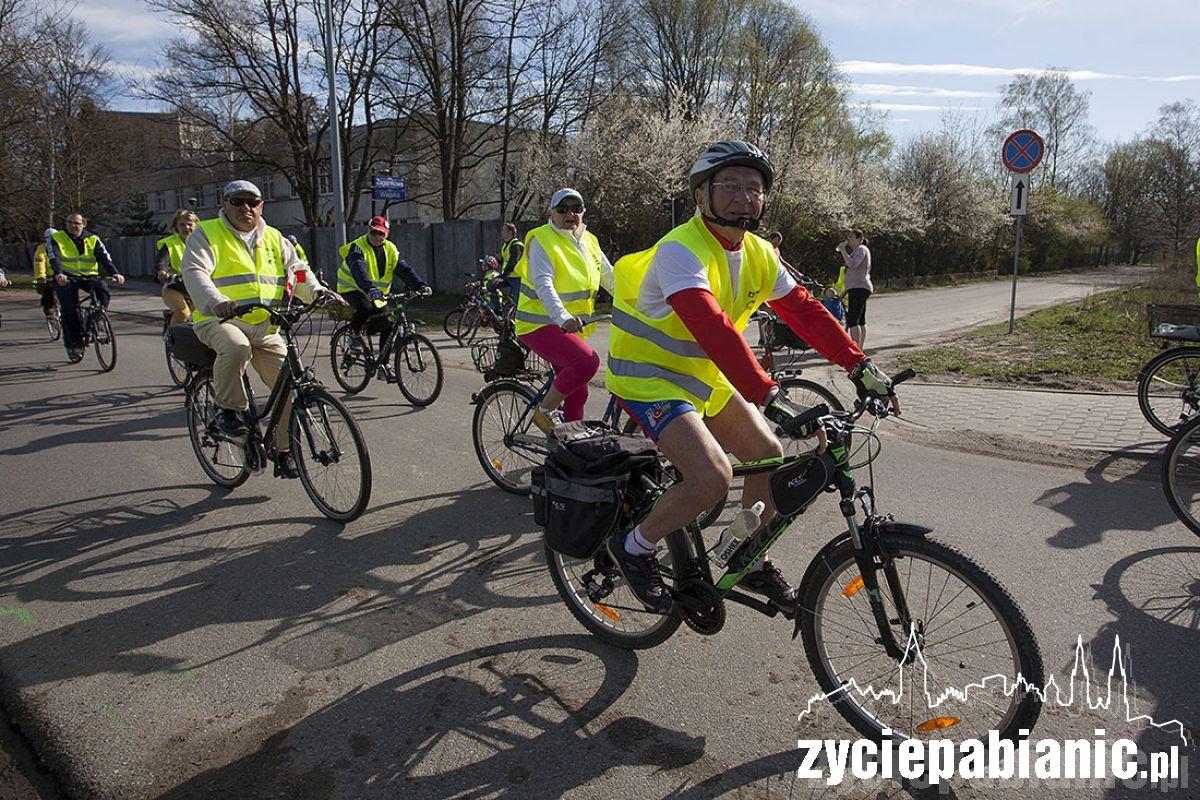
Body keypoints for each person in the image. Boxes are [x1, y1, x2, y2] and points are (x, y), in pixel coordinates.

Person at [603, 141, 897, 614]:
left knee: (767, 455)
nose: (745, 196)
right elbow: (711, 326)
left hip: (705, 376)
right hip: (651, 377)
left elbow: (804, 311)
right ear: (702, 197)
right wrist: (770, 395)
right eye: (731, 186)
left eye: (755, 188)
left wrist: (859, 365)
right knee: (711, 477)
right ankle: (633, 546)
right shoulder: (680, 250)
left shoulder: (759, 252)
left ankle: (749, 552)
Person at [181, 180, 344, 479]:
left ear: (261, 205)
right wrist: (215, 300)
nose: (246, 208)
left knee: (290, 391)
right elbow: (194, 272)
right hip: (220, 321)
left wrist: (318, 292)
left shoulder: (274, 237)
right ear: (225, 203)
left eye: (252, 202)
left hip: (266, 325)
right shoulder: (207, 233)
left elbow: (298, 270)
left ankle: (283, 452)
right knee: (236, 348)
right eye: (238, 201)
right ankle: (228, 410)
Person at [513, 188, 614, 432]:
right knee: (587, 363)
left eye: (576, 208)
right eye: (563, 209)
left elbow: (610, 277)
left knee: (577, 394)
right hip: (539, 325)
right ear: (552, 213)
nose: (570, 213)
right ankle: (544, 411)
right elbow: (544, 284)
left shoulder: (588, 241)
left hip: (568, 329)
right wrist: (563, 317)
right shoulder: (542, 239)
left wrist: (637, 305)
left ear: (583, 212)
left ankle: (567, 452)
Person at [335, 215, 431, 354]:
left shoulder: (390, 248)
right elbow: (358, 269)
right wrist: (370, 288)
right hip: (351, 287)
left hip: (377, 294)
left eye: (381, 233)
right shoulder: (357, 247)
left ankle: (384, 365)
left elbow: (404, 269)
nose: (377, 236)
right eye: (374, 232)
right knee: (365, 308)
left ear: (386, 234)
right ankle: (354, 335)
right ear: (368, 231)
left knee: (388, 325)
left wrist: (419, 285)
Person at [50, 212, 125, 362]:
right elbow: (54, 256)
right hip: (67, 277)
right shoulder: (57, 238)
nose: (73, 226)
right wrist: (59, 273)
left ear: (84, 224)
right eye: (70, 222)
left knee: (103, 290)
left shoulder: (93, 238)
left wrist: (115, 273)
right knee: (70, 310)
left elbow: (104, 257)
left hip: (89, 276)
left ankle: (96, 316)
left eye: (77, 223)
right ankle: (75, 345)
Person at [156, 210, 199, 325]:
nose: (186, 227)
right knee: (183, 312)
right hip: (175, 286)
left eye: (190, 224)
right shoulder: (170, 243)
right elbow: (162, 261)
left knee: (203, 315)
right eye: (182, 225)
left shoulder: (203, 243)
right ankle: (173, 336)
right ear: (176, 226)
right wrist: (162, 271)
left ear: (196, 225)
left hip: (196, 286)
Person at [837, 229, 872, 349]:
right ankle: (859, 349)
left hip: (860, 288)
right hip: (856, 288)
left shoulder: (861, 249)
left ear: (859, 239)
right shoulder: (857, 251)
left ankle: (856, 348)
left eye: (851, 237)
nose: (848, 239)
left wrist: (842, 250)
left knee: (853, 320)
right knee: (860, 320)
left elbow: (853, 264)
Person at [33, 229, 58, 320]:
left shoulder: (63, 246)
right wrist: (41, 276)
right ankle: (49, 309)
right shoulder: (42, 249)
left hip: (64, 274)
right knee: (49, 290)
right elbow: (39, 263)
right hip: (49, 276)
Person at [498, 222, 524, 303]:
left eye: (503, 230)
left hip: (516, 277)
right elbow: (504, 262)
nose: (501, 232)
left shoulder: (516, 245)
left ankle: (516, 312)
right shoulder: (505, 245)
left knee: (518, 301)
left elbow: (513, 263)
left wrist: (502, 276)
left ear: (510, 232)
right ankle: (497, 311)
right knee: (490, 285)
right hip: (508, 276)